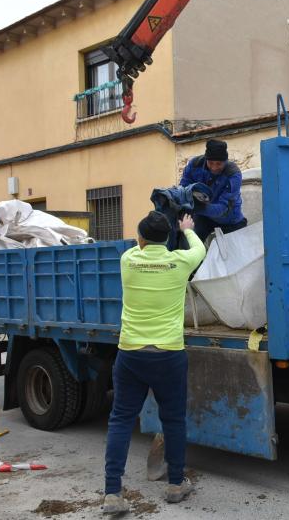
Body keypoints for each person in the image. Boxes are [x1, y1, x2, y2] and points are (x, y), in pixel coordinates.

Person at [103, 211, 205, 514]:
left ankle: (112, 493)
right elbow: (199, 249)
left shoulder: (128, 261)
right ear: (168, 238)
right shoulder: (181, 263)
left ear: (141, 238)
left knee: (121, 419)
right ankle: (175, 484)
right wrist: (186, 229)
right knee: (173, 420)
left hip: (131, 354)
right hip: (169, 355)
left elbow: (142, 247)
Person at [179, 139, 247, 242]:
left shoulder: (233, 174)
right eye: (210, 163)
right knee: (189, 243)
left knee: (236, 254)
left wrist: (194, 207)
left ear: (225, 161)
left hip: (230, 220)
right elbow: (183, 189)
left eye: (219, 164)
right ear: (206, 159)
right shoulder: (194, 165)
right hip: (203, 217)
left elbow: (222, 208)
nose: (214, 168)